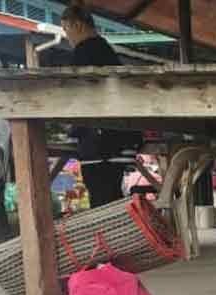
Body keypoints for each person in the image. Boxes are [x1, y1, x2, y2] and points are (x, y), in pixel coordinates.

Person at [61, 0, 131, 208]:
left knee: (101, 200)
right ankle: (114, 238)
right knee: (113, 197)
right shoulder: (106, 49)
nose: (67, 35)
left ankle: (106, 239)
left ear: (77, 25)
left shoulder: (84, 52)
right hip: (118, 138)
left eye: (66, 29)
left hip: (99, 143)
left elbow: (77, 94)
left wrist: (72, 128)